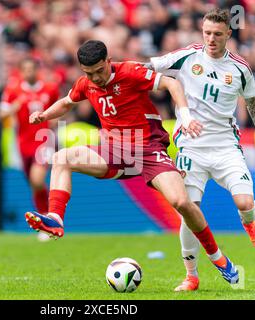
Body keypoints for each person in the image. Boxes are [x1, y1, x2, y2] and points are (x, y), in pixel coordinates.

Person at [25, 39, 240, 285]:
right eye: (89, 73)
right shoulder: (85, 84)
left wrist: (185, 114)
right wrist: (44, 115)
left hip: (148, 148)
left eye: (99, 71)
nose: (95, 78)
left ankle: (220, 259)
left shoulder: (130, 72)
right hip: (114, 150)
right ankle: (56, 218)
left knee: (181, 202)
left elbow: (171, 82)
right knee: (61, 158)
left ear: (108, 61)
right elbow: (66, 103)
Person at [146, 8, 255, 291]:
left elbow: (254, 105)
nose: (211, 39)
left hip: (225, 146)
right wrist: (113, 71)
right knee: (189, 209)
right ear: (202, 31)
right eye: (207, 33)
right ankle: (191, 275)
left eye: (217, 34)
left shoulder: (239, 68)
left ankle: (250, 223)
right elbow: (147, 67)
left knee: (245, 204)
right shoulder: (187, 56)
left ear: (228, 35)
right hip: (190, 146)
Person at [0, 58, 59, 223]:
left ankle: (48, 218)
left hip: (44, 141)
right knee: (33, 184)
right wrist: (14, 108)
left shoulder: (50, 89)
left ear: (36, 70)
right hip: (23, 143)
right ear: (20, 72)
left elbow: (60, 108)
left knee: (37, 179)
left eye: (31, 69)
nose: (29, 72)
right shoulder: (13, 91)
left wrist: (55, 119)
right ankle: (46, 219)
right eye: (25, 69)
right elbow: (1, 114)